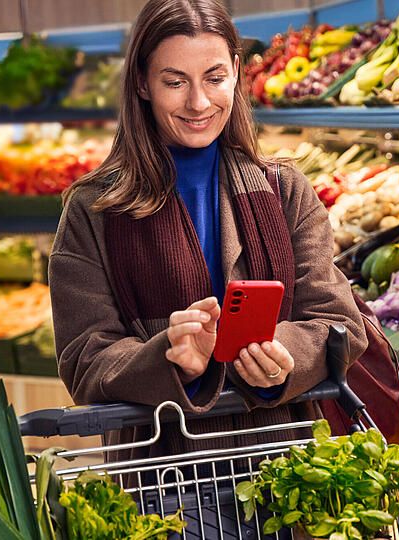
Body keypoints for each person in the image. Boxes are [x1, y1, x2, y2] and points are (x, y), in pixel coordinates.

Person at [49, 0, 367, 470]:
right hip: (162, 475)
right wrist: (169, 358)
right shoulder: (94, 209)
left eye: (215, 78)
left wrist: (283, 356)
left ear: (236, 72)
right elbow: (84, 358)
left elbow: (339, 323)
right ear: (142, 83)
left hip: (285, 465)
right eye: (175, 82)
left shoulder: (285, 190)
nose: (198, 103)